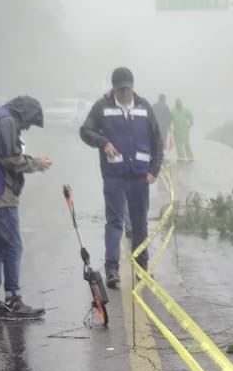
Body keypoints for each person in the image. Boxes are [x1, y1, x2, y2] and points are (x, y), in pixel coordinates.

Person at [80, 67, 164, 288]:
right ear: (114, 89)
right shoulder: (102, 107)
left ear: (132, 87)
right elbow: (85, 131)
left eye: (127, 89)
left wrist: (154, 170)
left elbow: (157, 140)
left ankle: (141, 268)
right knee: (115, 223)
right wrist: (103, 143)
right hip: (114, 176)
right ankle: (112, 270)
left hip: (140, 177)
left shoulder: (144, 107)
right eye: (120, 90)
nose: (124, 93)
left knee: (139, 224)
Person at [0, 94, 52, 319]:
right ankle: (13, 300)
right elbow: (11, 159)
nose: (26, 128)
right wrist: (36, 163)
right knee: (13, 246)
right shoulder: (7, 121)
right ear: (25, 113)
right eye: (28, 122)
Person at [171, 98, 194, 162]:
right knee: (178, 146)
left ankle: (190, 157)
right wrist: (171, 128)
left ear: (181, 103)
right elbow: (169, 120)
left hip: (185, 131)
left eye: (179, 102)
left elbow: (191, 118)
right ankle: (181, 157)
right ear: (175, 103)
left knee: (187, 145)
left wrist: (189, 127)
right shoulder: (172, 111)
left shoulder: (185, 110)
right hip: (176, 132)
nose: (178, 104)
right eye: (177, 102)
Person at [154, 92, 173, 157]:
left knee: (156, 139)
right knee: (163, 139)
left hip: (156, 126)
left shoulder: (154, 106)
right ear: (163, 99)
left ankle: (156, 152)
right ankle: (162, 153)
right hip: (164, 126)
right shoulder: (165, 106)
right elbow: (168, 117)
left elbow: (151, 115)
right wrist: (169, 126)